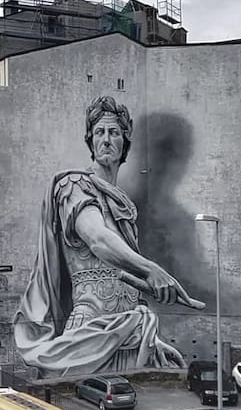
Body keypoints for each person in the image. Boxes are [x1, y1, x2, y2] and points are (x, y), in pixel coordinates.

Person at [13, 95, 202, 377]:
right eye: (99, 132)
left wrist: (151, 335)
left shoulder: (124, 205)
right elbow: (98, 239)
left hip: (131, 335)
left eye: (114, 132)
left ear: (125, 141)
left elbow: (127, 280)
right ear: (90, 140)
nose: (106, 140)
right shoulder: (73, 185)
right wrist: (152, 269)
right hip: (89, 335)